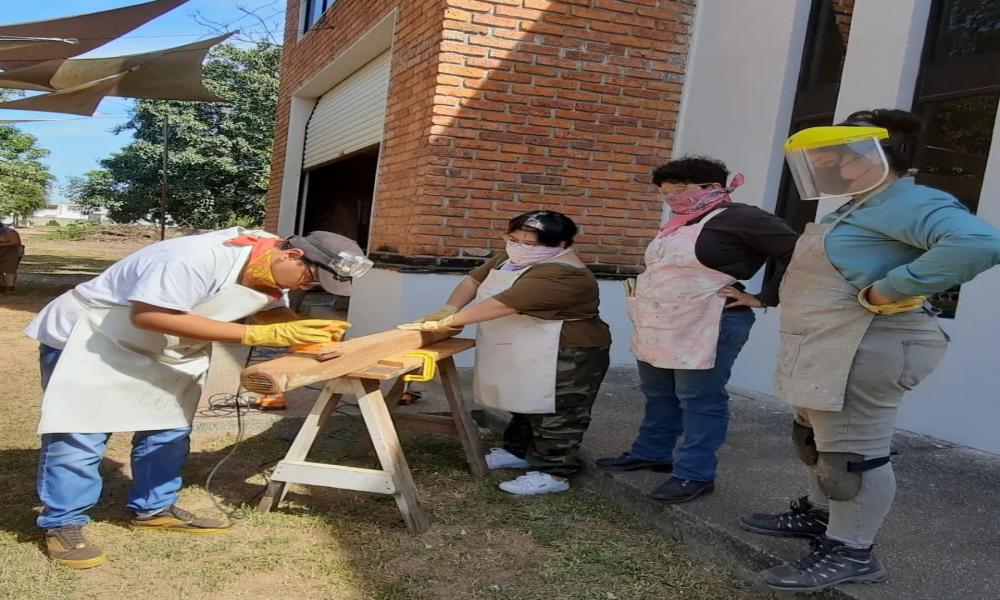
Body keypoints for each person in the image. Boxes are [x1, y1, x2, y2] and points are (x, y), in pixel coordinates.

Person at [740, 109, 1000, 592]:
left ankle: (853, 552)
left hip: (868, 345)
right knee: (816, 441)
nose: (825, 162)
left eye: (835, 154)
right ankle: (820, 518)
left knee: (852, 455)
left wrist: (893, 288)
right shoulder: (860, 204)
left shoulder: (907, 201)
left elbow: (980, 242)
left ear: (871, 157)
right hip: (828, 344)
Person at [24, 228, 372, 569]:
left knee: (168, 427)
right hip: (93, 337)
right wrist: (258, 334)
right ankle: (63, 522)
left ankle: (154, 509)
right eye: (309, 280)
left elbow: (269, 307)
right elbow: (148, 315)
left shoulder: (269, 262)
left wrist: (303, 337)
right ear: (293, 254)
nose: (303, 288)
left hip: (165, 348)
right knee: (82, 431)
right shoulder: (194, 258)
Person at [595, 156, 799, 503]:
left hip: (710, 320)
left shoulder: (742, 217)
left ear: (712, 188)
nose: (672, 197)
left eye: (679, 189)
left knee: (699, 398)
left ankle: (695, 474)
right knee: (658, 391)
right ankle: (653, 451)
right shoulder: (680, 223)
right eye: (666, 192)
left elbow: (798, 251)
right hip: (662, 322)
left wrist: (765, 297)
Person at [399, 211, 611, 496]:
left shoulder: (565, 273)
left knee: (557, 409)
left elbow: (503, 304)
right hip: (527, 342)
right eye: (514, 239)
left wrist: (449, 322)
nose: (520, 246)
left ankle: (554, 472)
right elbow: (473, 281)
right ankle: (518, 451)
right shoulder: (510, 259)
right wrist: (449, 308)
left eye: (531, 243)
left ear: (560, 244)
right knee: (523, 398)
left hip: (567, 349)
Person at [0, 221, 24, 293]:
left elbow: (16, 242)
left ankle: (10, 287)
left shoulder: (10, 232)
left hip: (12, 253)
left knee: (10, 270)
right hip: (2, 252)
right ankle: (2, 286)